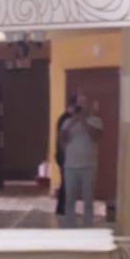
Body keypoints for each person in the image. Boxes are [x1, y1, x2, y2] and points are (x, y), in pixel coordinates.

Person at [61, 97, 103, 227]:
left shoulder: (96, 121)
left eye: (83, 104)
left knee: (88, 199)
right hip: (70, 166)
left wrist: (83, 120)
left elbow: (96, 137)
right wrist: (73, 121)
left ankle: (88, 225)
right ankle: (69, 224)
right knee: (69, 199)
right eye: (78, 105)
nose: (81, 107)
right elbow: (62, 138)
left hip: (89, 166)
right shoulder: (68, 121)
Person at [54, 95, 77, 216]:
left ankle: (63, 208)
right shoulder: (65, 119)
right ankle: (63, 209)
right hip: (64, 155)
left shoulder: (66, 118)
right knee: (67, 182)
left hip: (65, 155)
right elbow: (62, 139)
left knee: (67, 182)